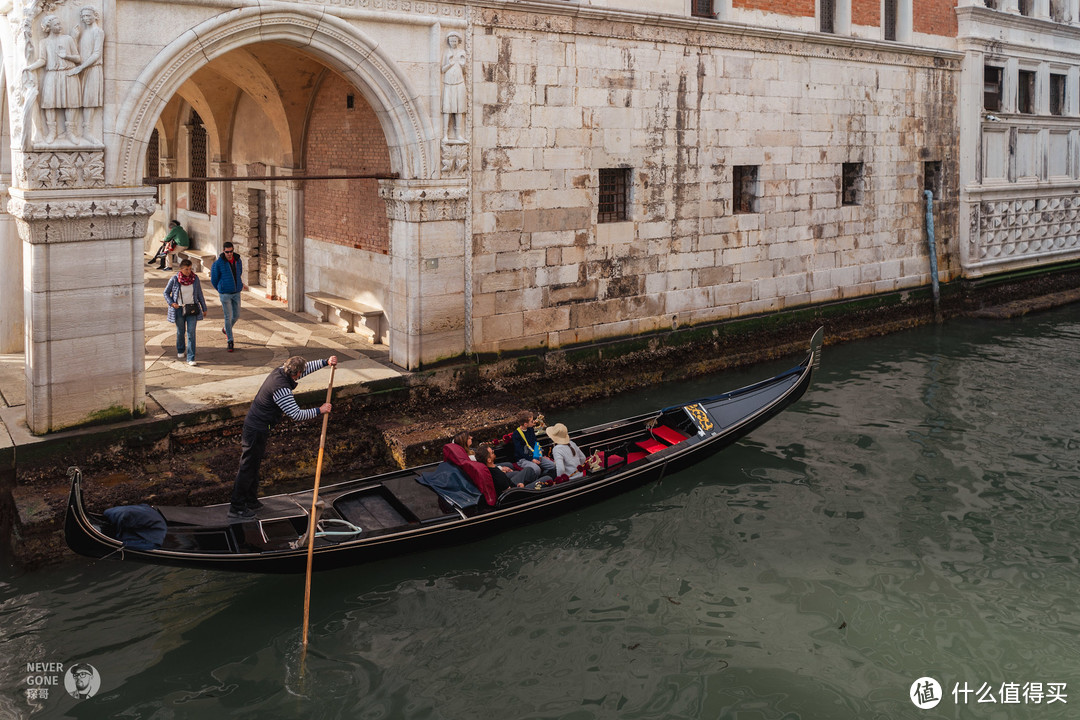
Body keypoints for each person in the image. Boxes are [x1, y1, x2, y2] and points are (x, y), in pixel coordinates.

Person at [229, 355, 338, 519]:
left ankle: (250, 500)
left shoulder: (282, 370)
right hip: (255, 429)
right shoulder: (281, 389)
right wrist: (320, 410)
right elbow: (296, 414)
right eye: (300, 373)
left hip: (260, 427)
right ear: (296, 373)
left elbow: (305, 368)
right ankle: (236, 507)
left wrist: (325, 362)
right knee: (247, 467)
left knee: (254, 465)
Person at [25, 15, 81, 143]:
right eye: (56, 24)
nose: (60, 26)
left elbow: (78, 58)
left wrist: (66, 56)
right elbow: (42, 60)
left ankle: (71, 132)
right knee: (49, 103)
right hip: (52, 74)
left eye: (60, 24)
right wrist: (30, 68)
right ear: (48, 27)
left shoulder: (68, 39)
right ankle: (52, 132)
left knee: (71, 103)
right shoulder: (44, 42)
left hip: (68, 74)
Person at [68, 7, 104, 140]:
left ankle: (87, 130)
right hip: (81, 68)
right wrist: (74, 38)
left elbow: (96, 54)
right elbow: (77, 52)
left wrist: (81, 67)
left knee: (90, 99)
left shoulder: (98, 32)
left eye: (88, 15)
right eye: (83, 16)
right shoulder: (83, 33)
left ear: (95, 16)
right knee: (78, 98)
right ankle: (72, 129)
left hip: (92, 69)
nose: (85, 19)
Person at [163, 259, 207, 366]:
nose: (189, 271)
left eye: (190, 269)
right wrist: (172, 303)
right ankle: (181, 349)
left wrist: (204, 308)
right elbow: (166, 293)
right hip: (179, 309)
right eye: (186, 269)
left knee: (191, 333)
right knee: (180, 331)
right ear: (181, 269)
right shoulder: (174, 279)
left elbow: (200, 294)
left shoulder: (195, 279)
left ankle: (191, 357)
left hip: (192, 309)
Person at [210, 242, 245, 352]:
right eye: (227, 252)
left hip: (236, 292)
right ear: (223, 251)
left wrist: (238, 284)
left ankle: (226, 329)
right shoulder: (218, 264)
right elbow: (214, 279)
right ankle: (230, 340)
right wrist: (221, 288)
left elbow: (239, 272)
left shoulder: (238, 260)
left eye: (231, 251)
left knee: (237, 315)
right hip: (225, 294)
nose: (229, 254)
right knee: (228, 316)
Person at [512, 410, 557, 479]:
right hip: (523, 458)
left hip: (534, 454)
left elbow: (535, 442)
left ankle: (544, 477)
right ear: (525, 424)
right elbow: (520, 451)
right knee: (536, 469)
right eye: (531, 421)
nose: (533, 422)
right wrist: (531, 459)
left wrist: (540, 454)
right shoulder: (516, 434)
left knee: (553, 466)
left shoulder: (530, 429)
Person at [441, 32, 466, 142]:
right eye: (451, 41)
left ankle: (458, 134)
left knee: (458, 108)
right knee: (447, 108)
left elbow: (465, 70)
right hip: (448, 82)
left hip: (459, 82)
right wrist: (450, 64)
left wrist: (462, 64)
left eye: (455, 41)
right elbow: (442, 69)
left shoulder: (461, 52)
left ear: (458, 41)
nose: (453, 43)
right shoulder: (446, 52)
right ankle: (445, 134)